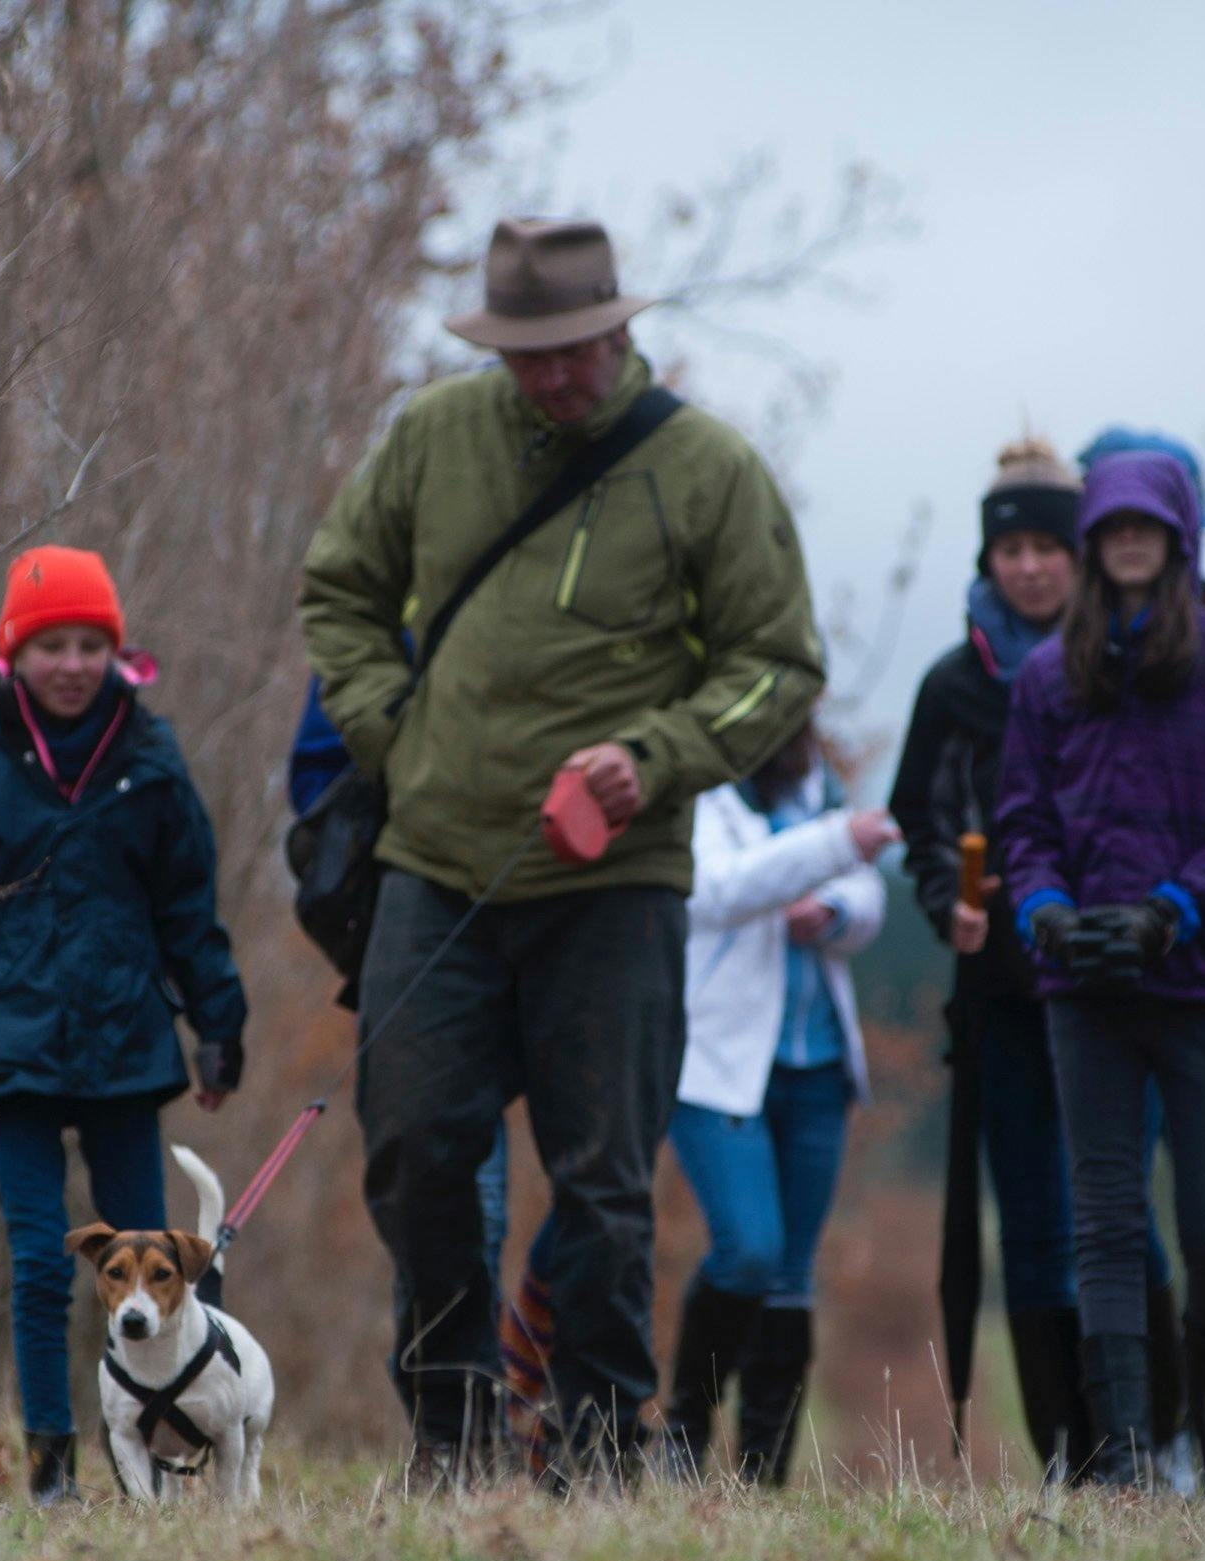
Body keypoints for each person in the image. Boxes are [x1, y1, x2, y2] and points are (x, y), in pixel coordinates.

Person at [298, 216, 824, 1488]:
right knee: (418, 1144)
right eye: (527, 354)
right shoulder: (432, 435)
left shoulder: (705, 469)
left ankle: (597, 1436)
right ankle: (453, 1422)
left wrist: (654, 755)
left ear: (619, 330)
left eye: (573, 350)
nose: (552, 376)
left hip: (616, 883)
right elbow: (340, 594)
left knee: (602, 1182)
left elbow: (779, 667)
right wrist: (395, 734)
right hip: (437, 864)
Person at [0, 547, 246, 1506]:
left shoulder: (149, 763)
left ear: (116, 652)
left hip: (124, 1046)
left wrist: (217, 1023)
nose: (72, 664)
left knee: (159, 1267)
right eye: (52, 646)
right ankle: (50, 1469)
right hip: (9, 1045)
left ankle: (171, 1449)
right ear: (15, 654)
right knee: (39, 1264)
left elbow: (188, 906)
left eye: (90, 645)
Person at [997, 452, 1205, 1489]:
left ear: (1178, 536)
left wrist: (1177, 907)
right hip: (1086, 990)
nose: (1129, 541)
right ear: (1094, 539)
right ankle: (1121, 1450)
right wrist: (1042, 910)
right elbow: (1022, 820)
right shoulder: (1046, 677)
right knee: (1108, 1222)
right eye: (1111, 525)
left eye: (1147, 525)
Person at [888, 438, 1131, 1481]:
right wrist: (952, 899)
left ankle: (1143, 1438)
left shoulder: (1128, 665)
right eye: (1012, 548)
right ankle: (1068, 1452)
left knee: (1118, 1213)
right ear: (988, 562)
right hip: (999, 994)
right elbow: (922, 816)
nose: (1030, 566)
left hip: (1118, 982)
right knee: (1030, 1217)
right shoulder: (954, 684)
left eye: (1049, 545)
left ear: (1081, 553)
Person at [663, 727, 896, 1483]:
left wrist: (830, 911)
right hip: (722, 1064)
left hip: (819, 1064)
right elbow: (723, 889)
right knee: (748, 1249)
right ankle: (684, 1433)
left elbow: (868, 894)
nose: (801, 729)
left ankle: (763, 1477)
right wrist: (833, 846)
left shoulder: (819, 787)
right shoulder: (699, 794)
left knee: (794, 1273)